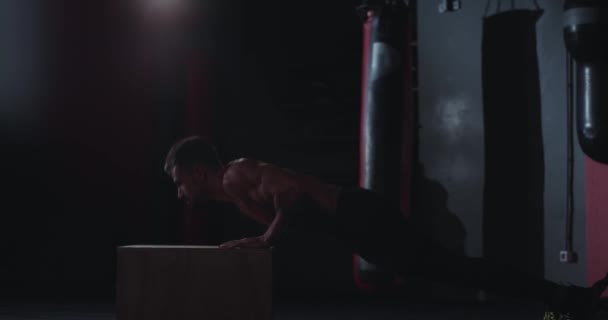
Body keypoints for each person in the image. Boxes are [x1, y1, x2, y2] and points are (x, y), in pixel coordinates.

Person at [164, 135, 608, 319]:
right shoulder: (236, 197)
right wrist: (259, 243)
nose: (180, 192)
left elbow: (291, 198)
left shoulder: (235, 174)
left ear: (197, 172)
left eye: (179, 182)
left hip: (360, 215)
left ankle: (564, 301)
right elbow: (289, 220)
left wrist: (264, 239)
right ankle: (562, 301)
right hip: (357, 231)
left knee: (455, 270)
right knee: (451, 270)